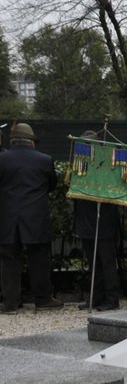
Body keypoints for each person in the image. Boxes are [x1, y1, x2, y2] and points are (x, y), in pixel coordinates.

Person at [0, 123, 62, 312]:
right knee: (39, 259)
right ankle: (43, 300)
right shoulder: (45, 160)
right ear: (32, 142)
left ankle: (10, 302)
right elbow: (51, 185)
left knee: (9, 260)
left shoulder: (2, 159)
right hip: (36, 217)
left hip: (8, 218)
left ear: (12, 141)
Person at [71, 132, 121, 312]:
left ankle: (111, 298)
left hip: (104, 220)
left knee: (107, 262)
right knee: (93, 263)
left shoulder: (109, 165)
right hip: (86, 220)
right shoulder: (79, 165)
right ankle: (96, 297)